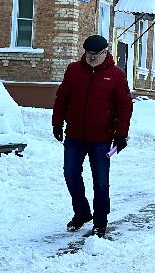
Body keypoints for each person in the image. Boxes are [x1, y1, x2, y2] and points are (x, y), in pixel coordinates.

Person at [52, 34, 132, 238]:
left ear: (106, 52)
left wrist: (121, 135)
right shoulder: (74, 71)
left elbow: (125, 107)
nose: (92, 57)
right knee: (70, 174)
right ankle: (82, 213)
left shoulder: (116, 75)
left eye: (96, 53)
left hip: (101, 139)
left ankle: (100, 221)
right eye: (89, 53)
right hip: (75, 136)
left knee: (101, 182)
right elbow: (62, 97)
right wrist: (57, 122)